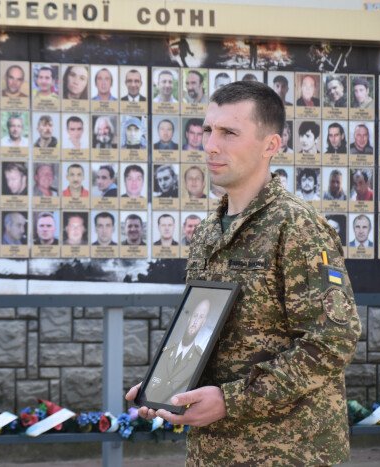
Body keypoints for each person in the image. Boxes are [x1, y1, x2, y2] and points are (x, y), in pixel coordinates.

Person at [126, 81, 360, 466]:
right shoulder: (208, 231)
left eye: (229, 133)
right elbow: (204, 333)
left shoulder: (297, 227)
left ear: (271, 145)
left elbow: (332, 340)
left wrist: (231, 400)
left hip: (288, 451)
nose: (210, 145)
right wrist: (168, 385)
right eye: (208, 130)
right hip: (213, 451)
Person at [144, 299, 211, 402]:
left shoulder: (199, 360)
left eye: (201, 317)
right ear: (189, 318)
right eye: (195, 315)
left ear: (203, 323)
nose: (196, 321)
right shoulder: (165, 353)